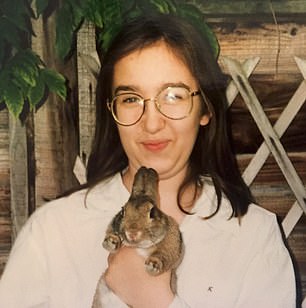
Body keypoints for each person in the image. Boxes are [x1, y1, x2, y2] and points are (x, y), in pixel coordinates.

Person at [0, 14, 296, 308]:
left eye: (173, 96)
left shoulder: (254, 238)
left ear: (204, 109)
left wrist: (156, 301)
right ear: (112, 112)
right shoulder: (52, 231)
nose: (152, 123)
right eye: (131, 99)